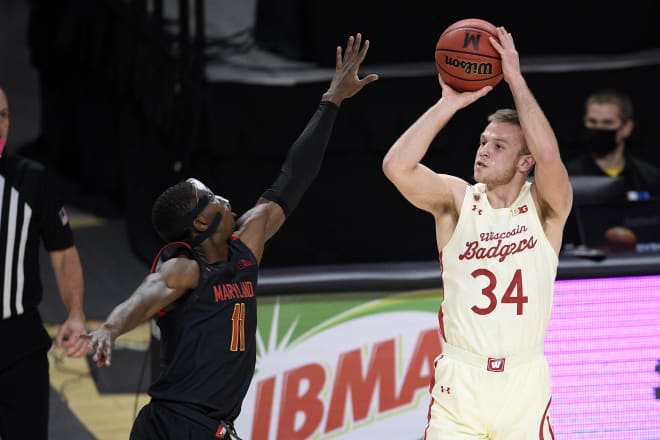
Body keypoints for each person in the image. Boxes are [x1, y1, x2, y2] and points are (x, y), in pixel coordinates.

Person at [84, 33, 378, 439]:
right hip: (175, 424)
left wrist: (332, 101)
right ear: (200, 223)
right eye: (210, 197)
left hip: (209, 425)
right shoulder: (185, 270)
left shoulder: (246, 248)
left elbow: (294, 177)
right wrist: (109, 329)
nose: (222, 197)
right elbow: (142, 298)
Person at [382, 27, 572, 439]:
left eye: (499, 145)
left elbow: (549, 155)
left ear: (525, 162)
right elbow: (396, 167)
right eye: (483, 141)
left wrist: (516, 80)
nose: (483, 149)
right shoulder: (457, 199)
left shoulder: (545, 208)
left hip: (524, 380)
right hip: (462, 378)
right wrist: (449, 102)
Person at [0, 87, 88, 439]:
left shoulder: (31, 180)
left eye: (3, 115)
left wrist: (77, 312)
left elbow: (64, 253)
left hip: (19, 342)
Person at [567, 88, 660, 195]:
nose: (599, 128)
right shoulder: (569, 178)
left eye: (608, 123)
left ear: (626, 128)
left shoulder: (648, 178)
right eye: (592, 122)